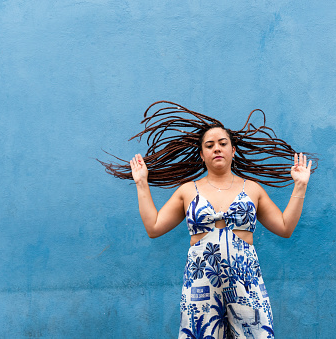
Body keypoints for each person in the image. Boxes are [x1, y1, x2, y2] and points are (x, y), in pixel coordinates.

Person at [100, 101, 317, 339]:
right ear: (202, 155)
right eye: (209, 145)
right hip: (202, 279)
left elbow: (285, 227)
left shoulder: (253, 189)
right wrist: (142, 182)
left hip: (245, 279)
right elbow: (154, 227)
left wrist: (300, 185)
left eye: (223, 144)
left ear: (233, 150)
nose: (217, 149)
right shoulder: (187, 190)